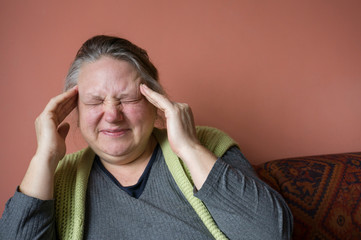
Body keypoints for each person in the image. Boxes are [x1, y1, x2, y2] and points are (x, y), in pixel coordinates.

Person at [0, 35, 292, 239]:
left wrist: (189, 148)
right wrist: (45, 159)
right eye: (94, 101)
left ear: (156, 103)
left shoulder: (206, 144)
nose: (112, 114)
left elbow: (272, 233)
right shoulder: (59, 178)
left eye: (127, 98)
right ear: (73, 110)